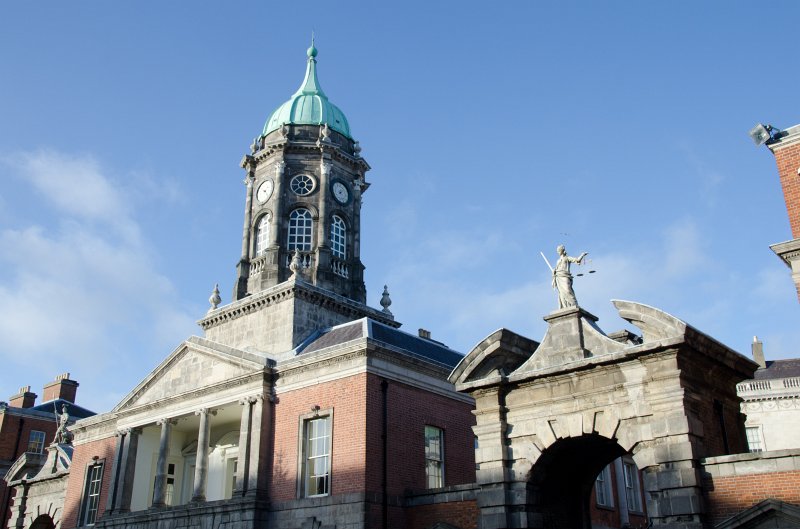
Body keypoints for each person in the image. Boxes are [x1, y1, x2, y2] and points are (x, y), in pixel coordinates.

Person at [552, 245, 588, 309]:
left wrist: (582, 255)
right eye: (557, 251)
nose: (558, 252)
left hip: (565, 276)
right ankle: (565, 307)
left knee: (568, 290)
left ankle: (574, 304)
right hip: (559, 277)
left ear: (562, 250)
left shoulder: (567, 258)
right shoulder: (558, 261)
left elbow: (577, 260)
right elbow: (557, 269)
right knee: (562, 293)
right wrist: (554, 271)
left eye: (559, 250)